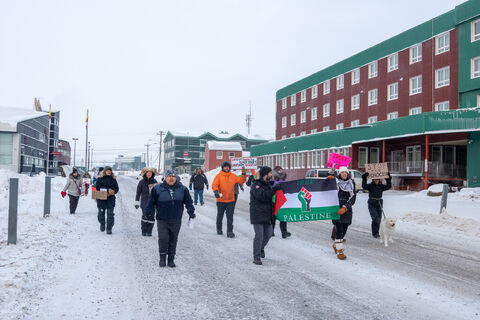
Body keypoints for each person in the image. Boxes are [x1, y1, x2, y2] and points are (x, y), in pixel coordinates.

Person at [145, 169, 195, 268]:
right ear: (165, 178)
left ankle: (171, 259)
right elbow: (151, 202)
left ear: (176, 178)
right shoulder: (157, 189)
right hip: (162, 219)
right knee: (163, 238)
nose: (171, 178)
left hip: (176, 219)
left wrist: (191, 212)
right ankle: (162, 258)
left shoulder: (183, 189)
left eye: (173, 176)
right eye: (169, 176)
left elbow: (188, 202)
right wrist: (148, 212)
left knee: (173, 239)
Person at [250, 166, 280, 265]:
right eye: (270, 173)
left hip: (267, 214)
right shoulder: (256, 185)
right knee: (259, 235)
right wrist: (274, 190)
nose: (271, 175)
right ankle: (256, 257)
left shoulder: (268, 185)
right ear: (265, 175)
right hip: (257, 213)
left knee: (269, 233)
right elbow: (262, 196)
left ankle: (261, 247)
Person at [327, 166, 356, 260]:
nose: (344, 174)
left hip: (347, 208)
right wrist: (330, 175)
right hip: (336, 207)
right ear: (339, 173)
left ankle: (336, 245)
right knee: (339, 230)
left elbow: (353, 197)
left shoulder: (351, 183)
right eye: (342, 172)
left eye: (346, 172)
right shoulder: (334, 182)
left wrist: (346, 207)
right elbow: (325, 185)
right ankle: (340, 251)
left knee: (344, 231)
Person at [212, 161, 247, 238]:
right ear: (222, 167)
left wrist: (244, 173)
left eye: (228, 166)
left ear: (229, 167)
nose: (226, 168)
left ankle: (229, 231)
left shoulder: (233, 176)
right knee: (220, 216)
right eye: (225, 166)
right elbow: (214, 185)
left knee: (230, 217)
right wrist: (216, 191)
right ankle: (219, 229)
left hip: (230, 200)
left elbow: (241, 180)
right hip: (221, 200)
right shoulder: (218, 176)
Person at [362, 171, 392, 238]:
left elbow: (388, 186)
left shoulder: (381, 186)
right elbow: (364, 186)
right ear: (373, 179)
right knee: (375, 218)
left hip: (379, 202)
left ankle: (376, 232)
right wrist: (364, 178)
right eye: (375, 179)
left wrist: (388, 178)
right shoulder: (370, 186)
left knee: (378, 218)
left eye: (377, 179)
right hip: (371, 202)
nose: (376, 180)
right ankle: (375, 233)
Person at [94, 166, 119, 234]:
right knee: (101, 215)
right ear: (104, 171)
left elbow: (116, 188)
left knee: (110, 214)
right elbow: (97, 188)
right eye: (107, 170)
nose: (109, 172)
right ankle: (102, 223)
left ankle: (109, 228)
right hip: (101, 198)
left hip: (110, 199)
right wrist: (107, 190)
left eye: (110, 170)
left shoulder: (113, 179)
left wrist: (114, 191)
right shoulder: (99, 179)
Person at [135, 167, 158, 236]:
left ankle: (149, 231)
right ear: (145, 174)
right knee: (145, 216)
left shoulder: (155, 182)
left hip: (153, 203)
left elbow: (158, 192)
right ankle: (144, 230)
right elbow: (138, 192)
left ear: (152, 174)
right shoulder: (141, 182)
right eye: (148, 173)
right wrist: (137, 201)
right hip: (144, 202)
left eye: (150, 173)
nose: (149, 174)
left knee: (151, 217)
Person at [272, 166, 291, 239]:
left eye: (282, 170)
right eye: (279, 170)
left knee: (283, 217)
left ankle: (284, 232)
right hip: (274, 201)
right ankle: (271, 231)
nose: (281, 171)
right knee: (273, 217)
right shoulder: (272, 180)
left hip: (282, 202)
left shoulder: (285, 180)